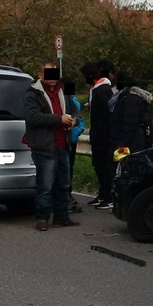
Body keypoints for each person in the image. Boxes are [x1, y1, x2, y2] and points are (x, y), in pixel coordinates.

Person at [25, 62, 80, 231]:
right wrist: (58, 119)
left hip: (63, 143)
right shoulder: (32, 93)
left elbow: (75, 110)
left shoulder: (65, 90)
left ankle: (61, 217)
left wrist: (73, 121)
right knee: (45, 184)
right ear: (40, 74)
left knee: (63, 183)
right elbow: (33, 117)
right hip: (44, 145)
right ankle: (42, 218)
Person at [82, 60, 115, 209]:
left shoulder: (102, 91)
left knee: (104, 167)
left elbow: (108, 114)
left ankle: (108, 196)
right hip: (97, 134)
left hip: (103, 136)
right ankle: (102, 193)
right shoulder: (95, 90)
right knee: (98, 165)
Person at [108, 71, 153, 154]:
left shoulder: (130, 99)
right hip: (134, 141)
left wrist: (121, 143)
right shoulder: (128, 97)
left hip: (132, 144)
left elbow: (130, 123)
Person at [63, 79, 85, 214]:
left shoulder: (69, 98)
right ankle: (66, 198)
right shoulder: (70, 98)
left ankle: (66, 198)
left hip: (70, 136)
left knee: (67, 169)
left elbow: (77, 114)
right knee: (65, 169)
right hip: (68, 137)